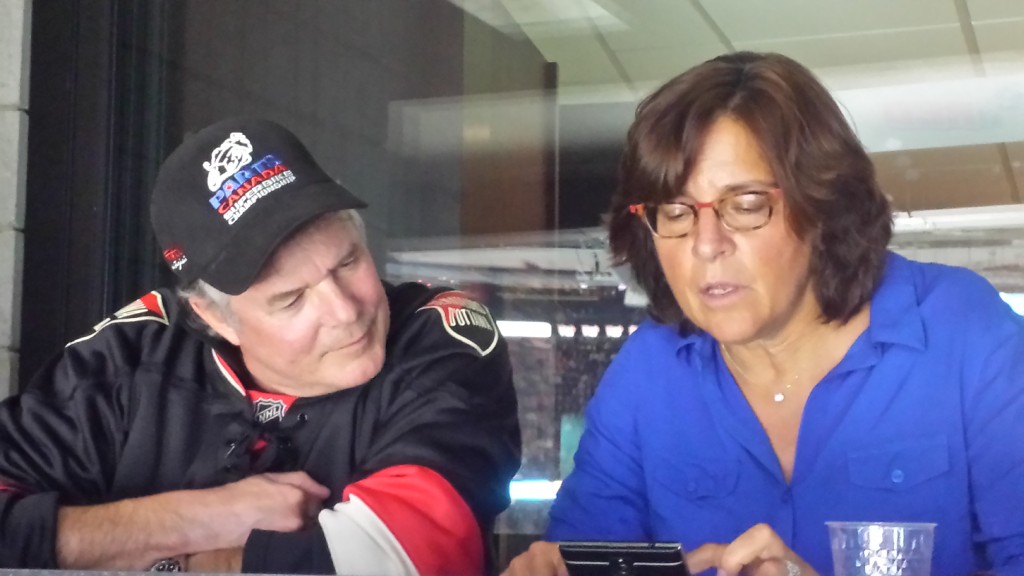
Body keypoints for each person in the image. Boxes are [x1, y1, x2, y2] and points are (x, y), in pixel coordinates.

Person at [503, 51, 1024, 576]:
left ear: (822, 206)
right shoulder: (648, 372)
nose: (707, 246)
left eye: (746, 205)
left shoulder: (967, 335)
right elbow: (586, 549)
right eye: (677, 212)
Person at [0, 117, 522, 575]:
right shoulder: (132, 354)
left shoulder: (438, 336)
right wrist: (197, 518)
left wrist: (151, 560)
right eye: (291, 299)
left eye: (347, 263)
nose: (345, 311)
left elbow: (399, 559)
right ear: (212, 317)